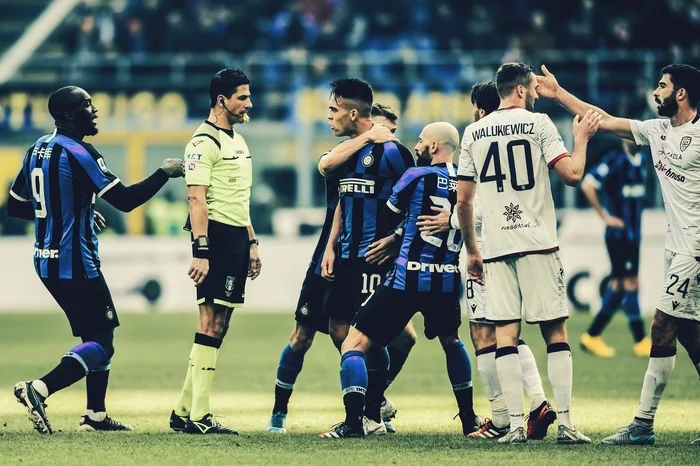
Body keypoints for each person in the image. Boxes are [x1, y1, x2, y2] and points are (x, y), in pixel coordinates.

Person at [536, 63, 700, 446]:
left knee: (661, 324)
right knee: (688, 330)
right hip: (677, 248)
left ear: (681, 93)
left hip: (694, 249)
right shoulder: (656, 131)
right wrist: (559, 93)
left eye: (661, 86)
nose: (655, 92)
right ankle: (642, 426)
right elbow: (601, 119)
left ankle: (642, 424)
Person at [9, 85, 184, 434]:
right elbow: (125, 200)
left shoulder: (36, 148)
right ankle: (39, 389)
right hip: (75, 261)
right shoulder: (80, 151)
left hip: (46, 259)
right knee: (102, 343)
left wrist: (77, 214)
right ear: (71, 115)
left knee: (97, 336)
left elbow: (15, 205)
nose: (96, 110)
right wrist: (165, 172)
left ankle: (95, 416)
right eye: (88, 105)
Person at [457, 62, 600, 444]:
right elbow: (572, 174)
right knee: (555, 331)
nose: (536, 94)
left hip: (497, 247)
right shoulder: (538, 124)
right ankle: (567, 424)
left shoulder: (472, 131)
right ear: (520, 90)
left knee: (506, 332)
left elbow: (464, 201)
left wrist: (473, 250)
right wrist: (581, 138)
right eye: (533, 88)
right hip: (537, 242)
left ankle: (516, 427)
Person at [320, 122, 481, 439]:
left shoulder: (415, 175)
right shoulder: (465, 183)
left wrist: (397, 232)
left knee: (353, 343)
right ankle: (469, 420)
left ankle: (355, 422)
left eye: (421, 142)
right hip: (447, 279)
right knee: (453, 342)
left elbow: (387, 215)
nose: (417, 147)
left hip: (406, 279)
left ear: (433, 146)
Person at [419, 81, 555, 441]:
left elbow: (478, 204)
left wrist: (449, 219)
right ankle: (537, 404)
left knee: (485, 333)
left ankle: (500, 418)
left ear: (481, 109)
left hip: (486, 252)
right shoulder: (517, 134)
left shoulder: (479, 139)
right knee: (505, 331)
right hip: (519, 242)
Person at [266, 105, 397, 434]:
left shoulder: (388, 159)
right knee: (302, 337)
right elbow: (328, 171)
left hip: (364, 261)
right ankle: (279, 413)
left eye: (392, 132)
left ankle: (371, 407)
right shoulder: (343, 154)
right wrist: (329, 249)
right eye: (385, 129)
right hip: (327, 257)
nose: (387, 137)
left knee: (387, 337)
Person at [320, 78, 415, 436]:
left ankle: (365, 414)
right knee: (337, 329)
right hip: (345, 257)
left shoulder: (393, 153)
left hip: (376, 259)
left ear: (352, 111)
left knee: (376, 338)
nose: (329, 117)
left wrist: (397, 238)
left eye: (333, 110)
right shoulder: (346, 153)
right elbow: (340, 195)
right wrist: (331, 247)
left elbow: (416, 199)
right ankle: (373, 408)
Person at [169, 68, 262, 435]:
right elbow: (196, 198)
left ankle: (183, 411)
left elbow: (241, 198)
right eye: (242, 97)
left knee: (220, 324)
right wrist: (201, 251)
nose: (249, 103)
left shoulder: (238, 140)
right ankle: (200, 417)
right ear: (221, 100)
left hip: (237, 236)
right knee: (209, 322)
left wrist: (252, 241)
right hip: (216, 238)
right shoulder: (202, 142)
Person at [580, 139, 651, 358]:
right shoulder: (615, 160)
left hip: (633, 234)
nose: (635, 139)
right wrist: (605, 216)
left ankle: (592, 336)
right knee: (630, 283)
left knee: (620, 285)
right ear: (622, 137)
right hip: (619, 235)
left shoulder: (643, 161)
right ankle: (640, 341)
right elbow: (588, 184)